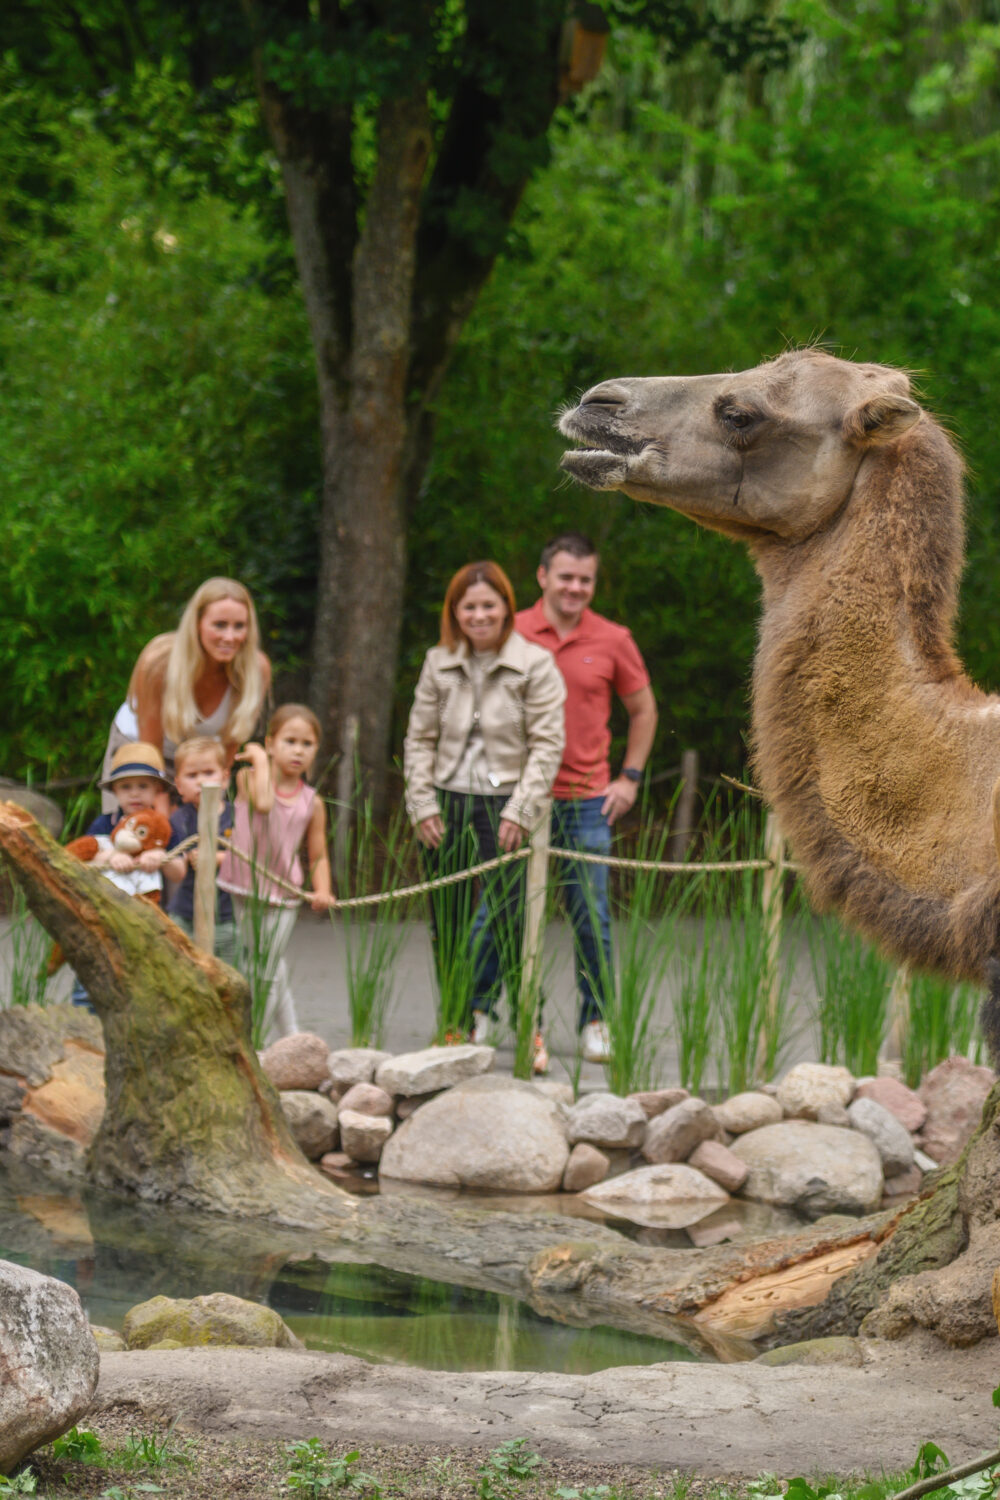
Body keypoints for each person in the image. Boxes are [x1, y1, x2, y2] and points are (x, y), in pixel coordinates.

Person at [403, 561, 565, 1070]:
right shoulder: (438, 662)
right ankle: (454, 1024)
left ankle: (528, 1028)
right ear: (455, 612)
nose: (478, 615)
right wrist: (422, 802)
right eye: (468, 606)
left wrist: (521, 808)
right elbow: (419, 739)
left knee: (513, 920)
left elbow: (547, 743)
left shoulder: (535, 664)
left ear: (506, 608)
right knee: (446, 921)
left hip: (507, 806)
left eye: (488, 605)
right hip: (447, 801)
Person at [515, 532, 657, 1063]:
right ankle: (492, 1014)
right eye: (566, 577)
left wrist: (630, 778)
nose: (575, 588)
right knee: (504, 911)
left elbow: (643, 711)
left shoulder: (613, 638)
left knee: (590, 914)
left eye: (585, 579)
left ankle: (596, 1020)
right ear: (543, 576)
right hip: (519, 798)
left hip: (586, 799)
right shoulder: (512, 631)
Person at [101, 577, 272, 812]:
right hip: (141, 752)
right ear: (197, 624)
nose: (230, 637)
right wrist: (161, 811)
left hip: (200, 763)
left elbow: (229, 750)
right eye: (220, 625)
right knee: (137, 832)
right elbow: (150, 750)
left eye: (239, 626)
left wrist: (213, 798)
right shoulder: (160, 663)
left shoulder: (256, 670)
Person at [218, 704, 335, 1038]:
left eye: (307, 744)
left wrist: (322, 889)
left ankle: (255, 1041)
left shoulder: (312, 802)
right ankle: (292, 1036)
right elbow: (264, 802)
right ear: (271, 743)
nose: (298, 750)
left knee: (266, 968)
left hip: (283, 893)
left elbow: (318, 856)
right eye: (289, 741)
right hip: (243, 886)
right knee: (267, 963)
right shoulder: (247, 778)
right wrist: (257, 760)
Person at [68, 742, 175, 1010]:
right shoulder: (105, 823)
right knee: (92, 967)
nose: (134, 793)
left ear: (157, 790)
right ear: (115, 790)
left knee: (139, 977)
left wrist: (160, 857)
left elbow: (179, 870)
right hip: (102, 913)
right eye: (126, 787)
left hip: (145, 917)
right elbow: (80, 856)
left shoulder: (162, 828)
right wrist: (110, 857)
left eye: (143, 786)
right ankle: (84, 1024)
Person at [161, 737, 238, 966]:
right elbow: (175, 866)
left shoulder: (236, 816)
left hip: (227, 913)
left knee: (227, 971)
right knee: (182, 966)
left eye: (208, 773)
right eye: (192, 776)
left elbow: (251, 857)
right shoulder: (179, 820)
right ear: (179, 785)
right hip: (185, 911)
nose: (201, 781)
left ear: (224, 778)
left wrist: (219, 858)